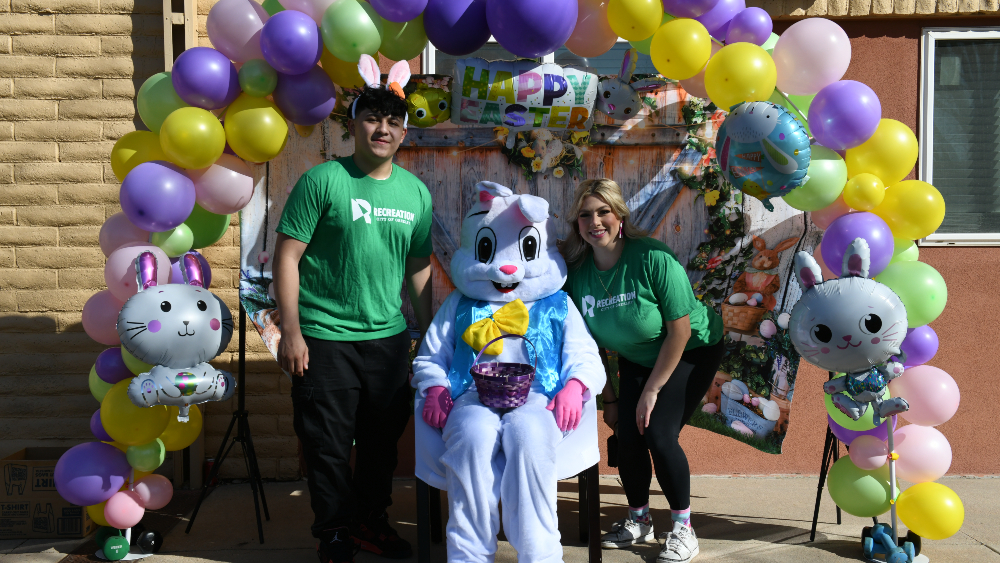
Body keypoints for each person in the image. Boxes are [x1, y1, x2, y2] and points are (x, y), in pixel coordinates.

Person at [273, 77, 433, 563]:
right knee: (327, 446)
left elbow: (418, 267)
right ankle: (335, 532)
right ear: (353, 126)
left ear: (403, 133)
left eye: (392, 121)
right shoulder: (323, 181)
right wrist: (292, 332)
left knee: (382, 448)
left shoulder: (416, 193)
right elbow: (287, 257)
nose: (382, 129)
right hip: (323, 340)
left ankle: (369, 522)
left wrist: (430, 336)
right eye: (372, 118)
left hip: (387, 341)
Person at [561, 179, 725, 563]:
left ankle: (684, 528)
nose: (594, 221)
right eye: (585, 214)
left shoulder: (652, 257)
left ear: (619, 216)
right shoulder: (578, 273)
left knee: (657, 431)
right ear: (577, 224)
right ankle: (639, 520)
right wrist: (611, 398)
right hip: (636, 356)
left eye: (603, 212)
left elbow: (680, 331)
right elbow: (587, 343)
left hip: (690, 349)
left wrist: (651, 390)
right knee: (627, 433)